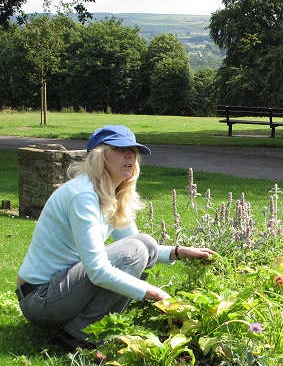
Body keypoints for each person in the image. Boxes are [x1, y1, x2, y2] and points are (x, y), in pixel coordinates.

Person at [15, 125, 214, 351]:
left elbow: (140, 244)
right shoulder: (82, 196)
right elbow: (99, 270)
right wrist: (156, 294)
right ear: (99, 155)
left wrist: (179, 252)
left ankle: (85, 327)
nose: (130, 155)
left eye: (134, 151)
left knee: (144, 243)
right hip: (40, 300)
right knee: (134, 251)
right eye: (121, 149)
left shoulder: (108, 193)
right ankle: (78, 335)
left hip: (61, 292)